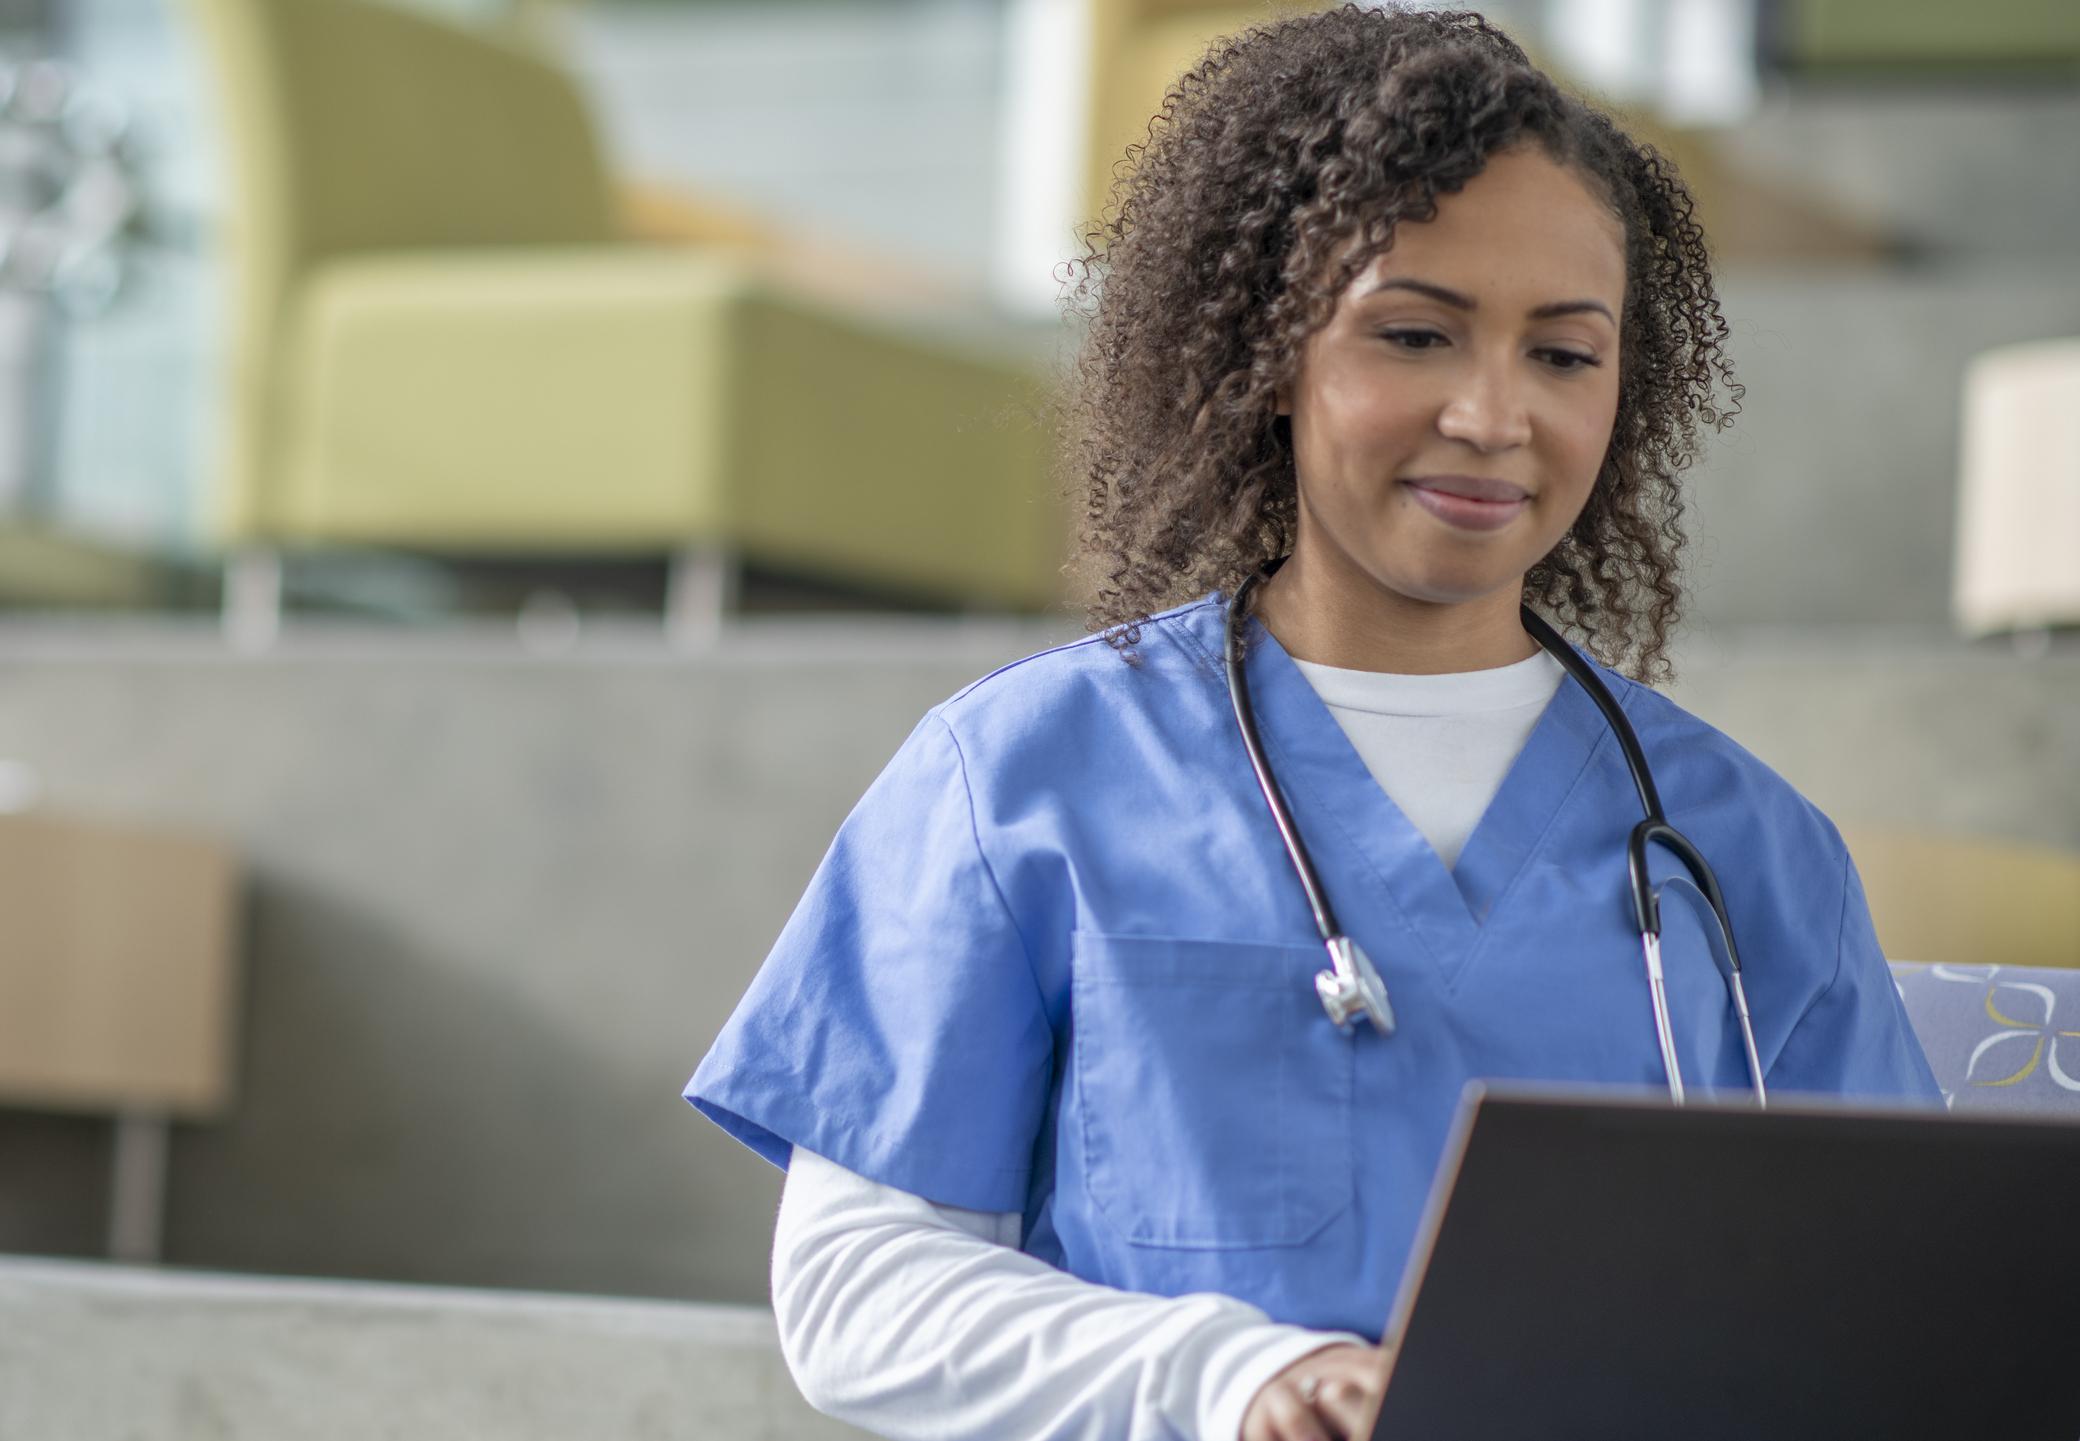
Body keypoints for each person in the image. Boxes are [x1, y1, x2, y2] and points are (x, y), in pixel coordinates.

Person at [685, 7, 1941, 1439]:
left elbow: (1895, 1302)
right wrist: (1229, 1371)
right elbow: (860, 1289)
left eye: (1564, 355)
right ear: (1265, 352)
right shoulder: (1022, 781)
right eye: (1414, 333)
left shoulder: (1744, 849)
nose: (1491, 414)